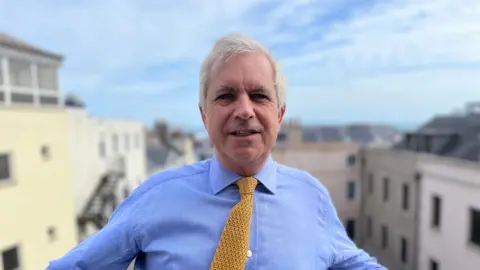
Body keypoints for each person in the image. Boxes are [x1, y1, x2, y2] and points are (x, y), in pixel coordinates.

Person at [47, 33, 386, 269]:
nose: (244, 110)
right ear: (204, 115)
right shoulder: (155, 198)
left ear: (279, 115)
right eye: (226, 96)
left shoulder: (313, 198)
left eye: (259, 95)